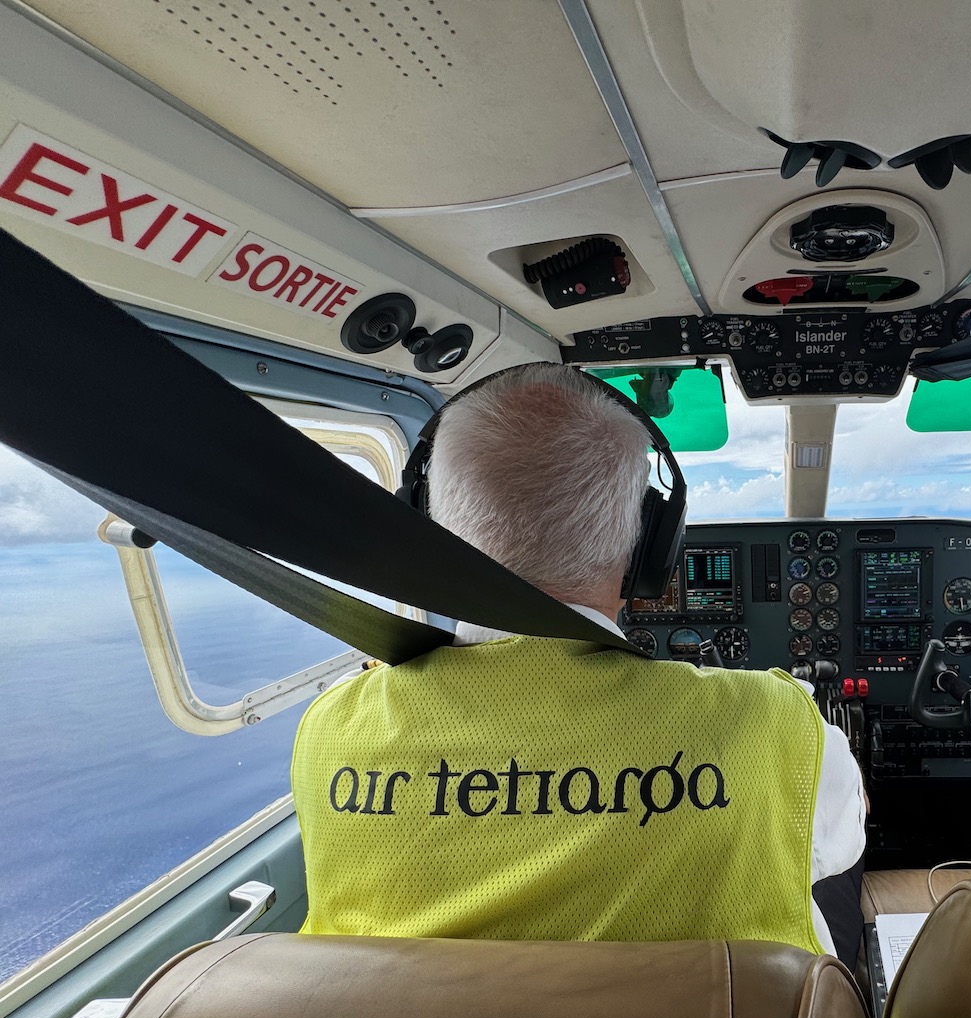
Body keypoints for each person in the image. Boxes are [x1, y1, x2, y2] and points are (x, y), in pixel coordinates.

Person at [291, 362, 866, 962]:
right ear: (649, 547)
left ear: (426, 529)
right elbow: (846, 830)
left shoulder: (332, 729)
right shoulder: (776, 723)